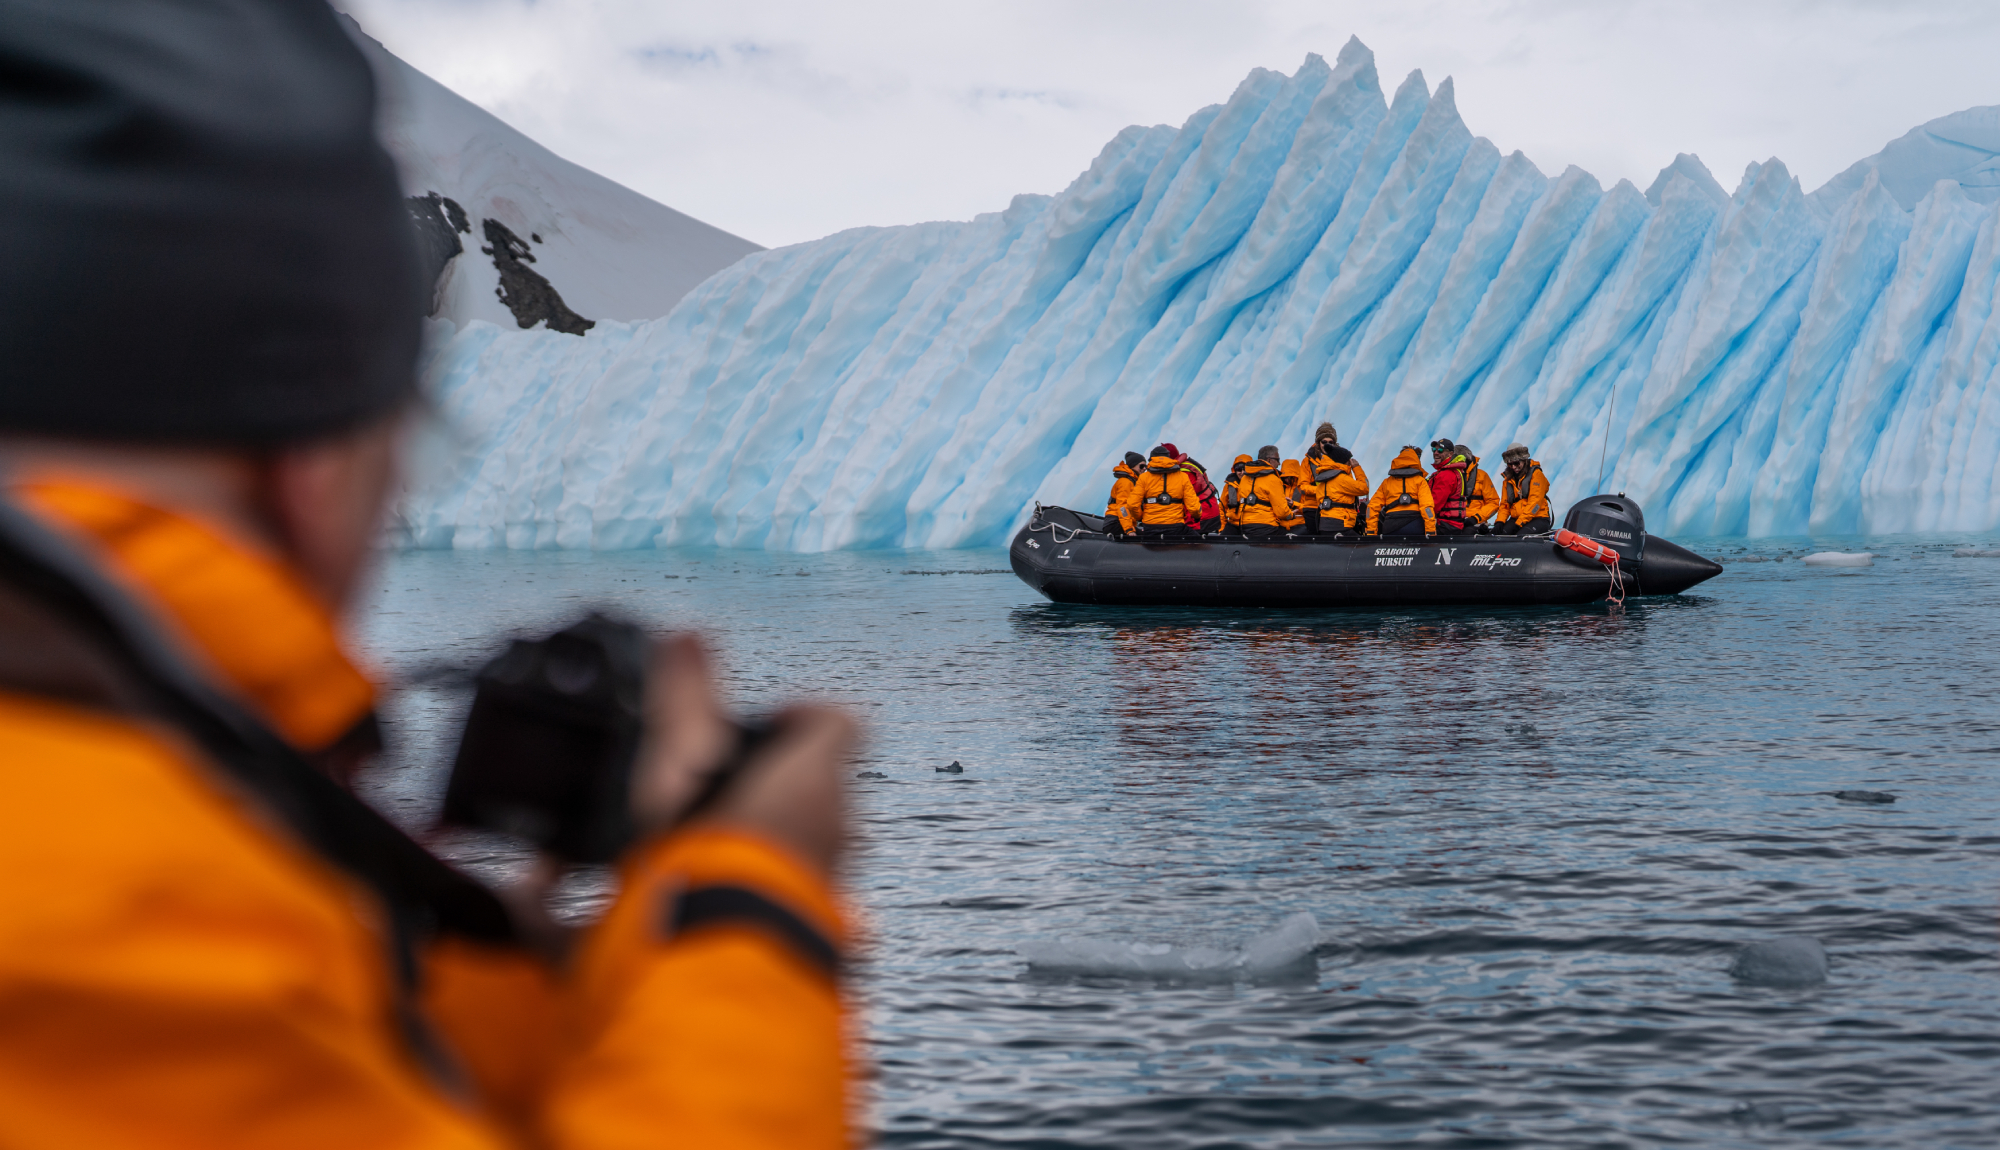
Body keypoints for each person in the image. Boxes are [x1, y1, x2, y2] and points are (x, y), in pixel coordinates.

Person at [0, 5, 856, 1147]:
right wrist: (751, 903)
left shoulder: (135, 813)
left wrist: (476, 954)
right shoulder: (115, 896)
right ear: (314, 461)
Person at [1126, 444, 1203, 534]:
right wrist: (1197, 516)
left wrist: (1139, 517)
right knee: (1198, 541)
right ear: (1169, 459)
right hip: (1176, 527)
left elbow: (1132, 504)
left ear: (1151, 459)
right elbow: (1194, 507)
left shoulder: (1144, 477)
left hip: (1150, 527)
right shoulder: (1183, 477)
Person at [1366, 447, 1437, 537]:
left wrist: (1371, 533)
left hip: (1391, 526)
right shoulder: (1420, 481)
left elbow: (1372, 507)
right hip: (1414, 525)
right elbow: (1427, 507)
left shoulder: (1387, 482)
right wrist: (1431, 532)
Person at [1233, 448, 1293, 538]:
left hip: (1244, 525)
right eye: (1277, 460)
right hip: (1266, 526)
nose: (1279, 464)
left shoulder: (1245, 478)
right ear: (1269, 460)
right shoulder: (1273, 479)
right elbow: (1281, 513)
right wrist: (1291, 515)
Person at [1497, 443, 1553, 534]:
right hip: (1517, 518)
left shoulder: (1536, 474)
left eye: (1516, 463)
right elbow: (1505, 505)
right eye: (1510, 464)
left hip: (1538, 517)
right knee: (1502, 535)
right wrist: (1500, 521)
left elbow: (1535, 504)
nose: (1514, 467)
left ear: (1524, 459)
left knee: (1521, 537)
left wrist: (1520, 522)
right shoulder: (1508, 480)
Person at [1428, 439, 1470, 536]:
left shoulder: (1446, 475)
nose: (1436, 453)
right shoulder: (1452, 471)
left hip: (1445, 525)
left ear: (1450, 454)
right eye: (1434, 450)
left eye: (1440, 450)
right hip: (1453, 524)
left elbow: (1435, 504)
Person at [1458, 444, 1500, 531]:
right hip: (1454, 520)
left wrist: (1476, 518)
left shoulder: (1482, 476)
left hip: (1476, 521)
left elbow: (1493, 503)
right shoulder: (1449, 476)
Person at [1104, 451, 1143, 534]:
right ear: (1133, 466)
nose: (1144, 468)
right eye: (1142, 466)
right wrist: (1129, 529)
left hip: (1119, 521)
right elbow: (1122, 507)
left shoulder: (1132, 481)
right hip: (1116, 522)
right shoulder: (1126, 482)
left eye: (1145, 466)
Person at [1222, 454, 1253, 529]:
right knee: (1223, 539)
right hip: (1233, 524)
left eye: (1244, 469)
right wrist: (1222, 528)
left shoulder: (1257, 483)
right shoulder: (1228, 486)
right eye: (1239, 469)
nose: (1242, 472)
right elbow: (1222, 508)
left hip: (1252, 523)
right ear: (1234, 470)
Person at [1278, 461, 1309, 533]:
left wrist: (1293, 504)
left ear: (1295, 476)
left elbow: (1308, 508)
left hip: (1300, 526)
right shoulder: (1279, 487)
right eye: (1284, 477)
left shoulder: (1303, 488)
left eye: (1288, 477)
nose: (1286, 480)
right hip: (1281, 526)